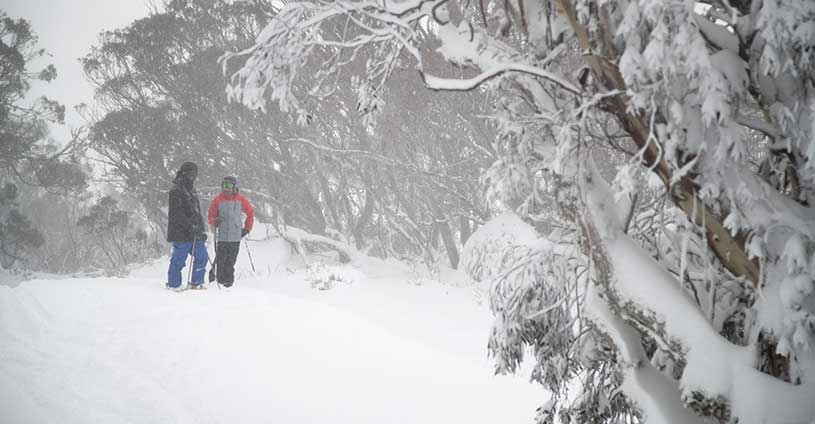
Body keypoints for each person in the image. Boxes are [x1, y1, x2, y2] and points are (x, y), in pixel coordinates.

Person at [166, 162, 209, 291]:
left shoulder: (192, 190)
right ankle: (174, 285)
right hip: (181, 233)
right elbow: (177, 214)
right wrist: (191, 226)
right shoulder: (176, 190)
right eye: (191, 172)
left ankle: (196, 282)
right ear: (184, 172)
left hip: (195, 233)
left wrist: (201, 229)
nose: (193, 176)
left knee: (202, 256)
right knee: (179, 259)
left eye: (195, 173)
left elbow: (197, 212)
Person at [208, 176, 254, 288]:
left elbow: (250, 213)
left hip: (235, 237)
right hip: (222, 236)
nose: (226, 188)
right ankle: (217, 281)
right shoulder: (218, 200)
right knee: (220, 260)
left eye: (229, 185)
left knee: (230, 261)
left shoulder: (240, 200)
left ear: (234, 187)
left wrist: (247, 229)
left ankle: (228, 283)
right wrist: (215, 221)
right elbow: (211, 215)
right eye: (224, 185)